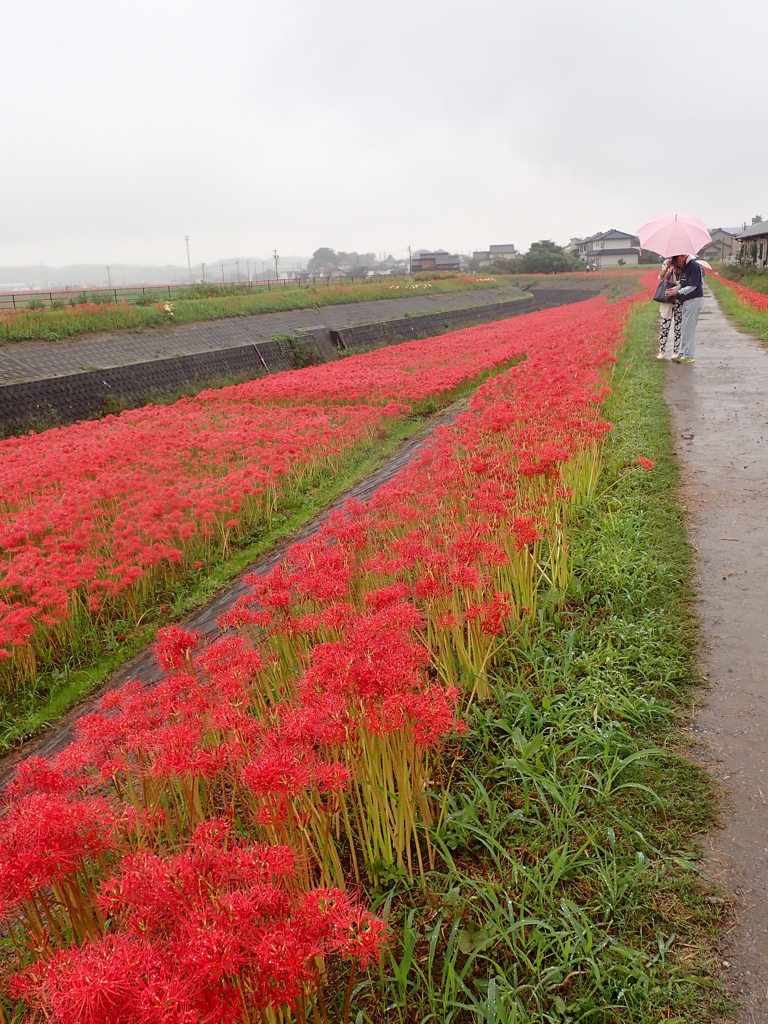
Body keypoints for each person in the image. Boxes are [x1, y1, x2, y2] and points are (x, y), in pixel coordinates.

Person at [665, 254, 704, 363]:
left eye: (677, 262)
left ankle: (689, 355)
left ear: (682, 256)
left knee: (689, 329)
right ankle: (683, 353)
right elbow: (682, 284)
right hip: (687, 302)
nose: (677, 265)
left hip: (694, 300)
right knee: (685, 328)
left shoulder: (693, 266)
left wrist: (677, 292)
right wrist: (672, 289)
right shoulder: (685, 267)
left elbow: (692, 286)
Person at [656, 258, 682, 359]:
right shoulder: (667, 263)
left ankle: (676, 351)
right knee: (665, 325)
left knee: (678, 326)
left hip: (679, 299)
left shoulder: (684, 264)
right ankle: (661, 350)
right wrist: (668, 267)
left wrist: (677, 269)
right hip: (667, 299)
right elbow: (661, 277)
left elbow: (684, 282)